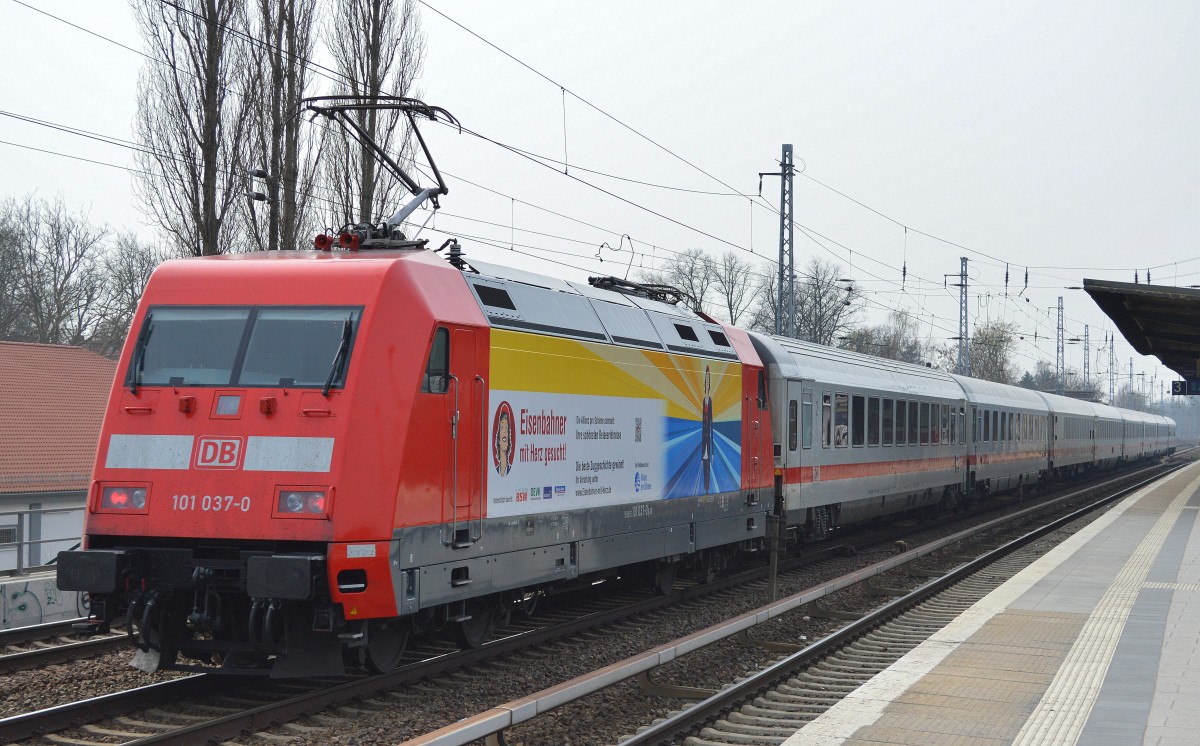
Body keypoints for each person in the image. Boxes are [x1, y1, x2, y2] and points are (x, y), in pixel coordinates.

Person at [701, 366, 713, 493]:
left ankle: (707, 488)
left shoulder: (710, 401)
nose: (707, 384)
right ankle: (705, 488)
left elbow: (712, 421)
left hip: (708, 437)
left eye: (709, 382)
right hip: (703, 437)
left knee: (708, 461)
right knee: (704, 460)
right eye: (706, 381)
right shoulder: (703, 400)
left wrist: (713, 450)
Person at [495, 409, 513, 476]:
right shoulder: (495, 471)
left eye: (506, 428)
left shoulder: (511, 470)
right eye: (502, 428)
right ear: (499, 439)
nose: (505, 431)